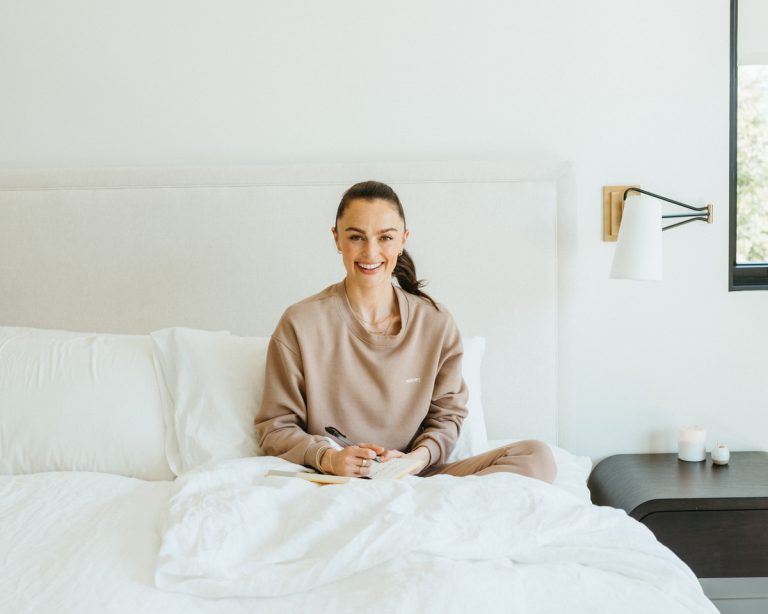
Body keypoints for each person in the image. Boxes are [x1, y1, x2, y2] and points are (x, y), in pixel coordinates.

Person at [254, 180, 556, 482]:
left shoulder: (435, 323)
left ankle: (429, 505)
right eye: (356, 237)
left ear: (403, 240)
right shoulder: (300, 323)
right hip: (335, 479)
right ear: (336, 239)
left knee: (537, 457)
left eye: (385, 237)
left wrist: (416, 459)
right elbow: (275, 427)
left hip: (415, 476)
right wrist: (329, 458)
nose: (371, 251)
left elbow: (447, 418)